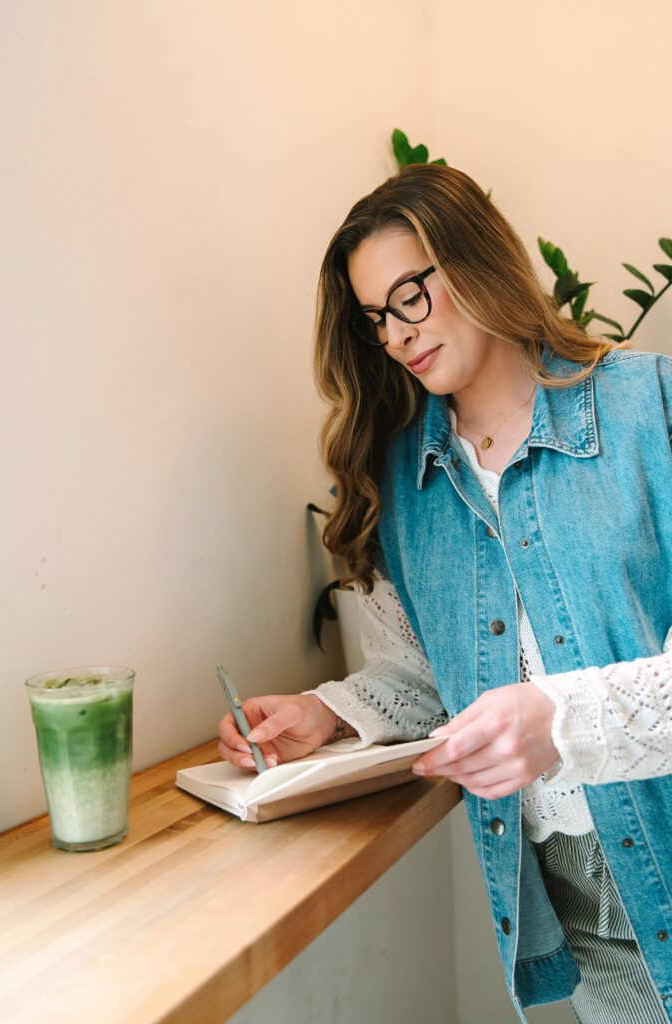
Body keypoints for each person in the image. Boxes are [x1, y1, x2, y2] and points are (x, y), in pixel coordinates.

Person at [218, 163, 672, 1023]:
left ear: (473, 260)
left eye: (409, 298)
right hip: (575, 894)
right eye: (375, 318)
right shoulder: (405, 480)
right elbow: (427, 676)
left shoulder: (649, 407)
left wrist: (560, 719)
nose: (394, 335)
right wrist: (328, 714)